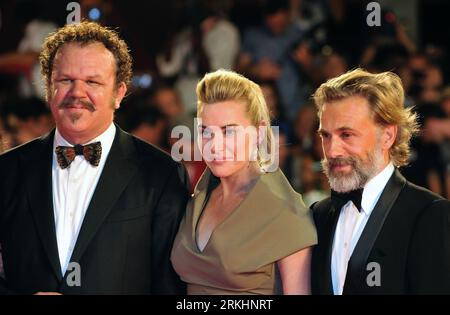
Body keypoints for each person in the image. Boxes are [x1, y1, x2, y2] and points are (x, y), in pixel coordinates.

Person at [0, 22, 189, 294]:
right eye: (65, 80)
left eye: (92, 81)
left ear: (119, 93)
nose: (77, 92)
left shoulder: (161, 175)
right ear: (47, 87)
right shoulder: (7, 171)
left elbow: (169, 287)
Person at [171, 69, 317, 294]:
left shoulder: (284, 210)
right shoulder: (200, 194)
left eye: (228, 131)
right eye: (205, 132)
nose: (214, 145)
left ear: (259, 133)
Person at [310, 68, 450, 294]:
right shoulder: (319, 214)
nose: (332, 150)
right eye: (325, 135)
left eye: (346, 134)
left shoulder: (428, 214)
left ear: (387, 136)